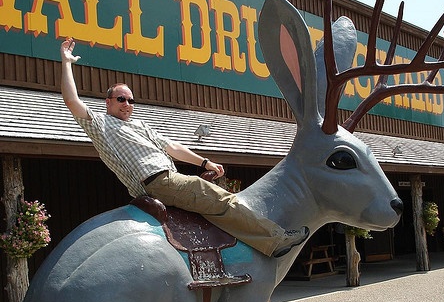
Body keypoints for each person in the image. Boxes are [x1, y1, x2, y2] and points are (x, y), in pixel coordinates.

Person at [59, 38, 309, 258]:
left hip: (171, 177)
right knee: (217, 196)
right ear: (108, 102)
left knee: (210, 201)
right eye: (121, 99)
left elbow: (173, 147)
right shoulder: (101, 124)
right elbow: (71, 100)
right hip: (156, 182)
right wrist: (67, 62)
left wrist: (204, 162)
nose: (127, 104)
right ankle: (276, 240)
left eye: (131, 100)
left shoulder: (141, 125)